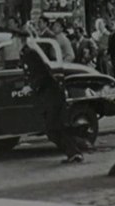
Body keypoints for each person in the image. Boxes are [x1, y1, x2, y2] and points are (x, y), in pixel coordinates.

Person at [17, 29, 82, 164]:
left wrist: (32, 86)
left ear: (21, 40)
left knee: (54, 128)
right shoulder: (25, 54)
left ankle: (74, 152)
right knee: (53, 129)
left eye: (15, 40)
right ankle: (73, 153)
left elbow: (42, 73)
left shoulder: (30, 54)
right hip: (47, 96)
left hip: (52, 95)